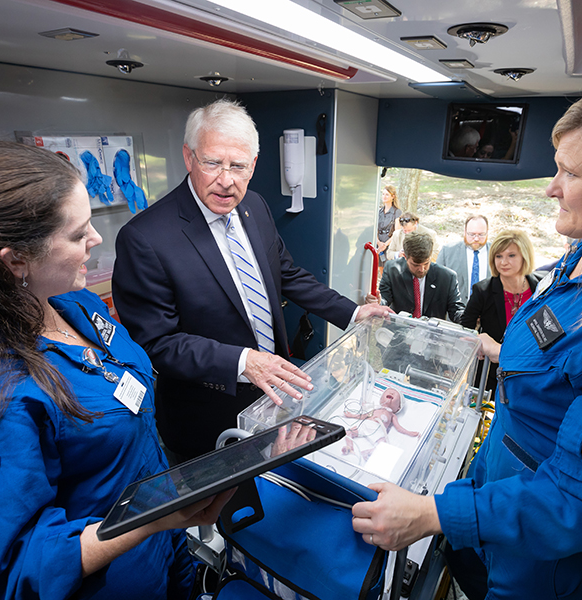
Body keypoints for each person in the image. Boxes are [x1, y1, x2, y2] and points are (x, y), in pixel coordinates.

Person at [350, 75, 582, 600]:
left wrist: (433, 514)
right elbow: (550, 370)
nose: (551, 187)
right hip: (495, 505)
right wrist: (483, 348)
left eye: (569, 172)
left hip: (544, 565)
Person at [0, 141, 234, 600]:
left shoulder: (70, 301)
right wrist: (154, 517)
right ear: (15, 259)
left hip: (161, 550)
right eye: (79, 234)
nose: (96, 240)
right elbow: (22, 568)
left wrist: (166, 515)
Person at [112, 99, 392, 460]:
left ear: (253, 165)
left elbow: (286, 274)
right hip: (207, 414)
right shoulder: (145, 238)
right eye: (212, 163)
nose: (226, 181)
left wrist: (352, 313)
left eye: (238, 166)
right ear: (188, 157)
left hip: (275, 397)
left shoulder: (255, 206)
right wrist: (243, 361)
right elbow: (157, 343)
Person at [460, 229, 540, 393]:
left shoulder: (541, 287)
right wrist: (477, 344)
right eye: (499, 256)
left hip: (532, 370)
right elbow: (465, 328)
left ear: (525, 256)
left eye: (511, 255)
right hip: (490, 375)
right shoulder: (482, 290)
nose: (504, 262)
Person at [370, 232, 464, 323]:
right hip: (399, 331)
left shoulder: (447, 277)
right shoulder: (392, 270)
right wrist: (378, 302)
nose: (421, 269)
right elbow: (384, 299)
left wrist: (468, 317)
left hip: (431, 334)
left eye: (426, 264)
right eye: (416, 265)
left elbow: (455, 309)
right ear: (405, 257)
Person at [436, 215, 491, 303]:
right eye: (472, 234)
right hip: (457, 312)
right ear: (465, 232)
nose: (476, 238)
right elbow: (437, 283)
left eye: (481, 234)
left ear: (487, 232)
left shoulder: (498, 253)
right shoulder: (447, 252)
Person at [376, 184, 402, 268]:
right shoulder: (379, 211)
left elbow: (397, 232)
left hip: (389, 244)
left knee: (387, 271)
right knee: (378, 269)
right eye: (383, 194)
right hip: (378, 245)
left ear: (393, 196)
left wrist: (385, 245)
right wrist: (379, 243)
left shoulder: (397, 212)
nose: (384, 196)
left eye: (387, 194)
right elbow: (375, 229)